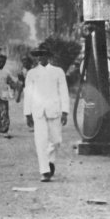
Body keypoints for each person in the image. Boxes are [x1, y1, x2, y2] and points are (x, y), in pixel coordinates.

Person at [23, 46, 69, 182]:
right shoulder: (32, 73)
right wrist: (27, 113)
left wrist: (65, 111)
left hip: (54, 110)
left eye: (42, 55)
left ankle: (50, 161)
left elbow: (64, 91)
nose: (40, 58)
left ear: (48, 56)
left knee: (56, 140)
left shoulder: (58, 71)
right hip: (38, 111)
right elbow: (28, 94)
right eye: (37, 55)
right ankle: (44, 171)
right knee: (41, 141)